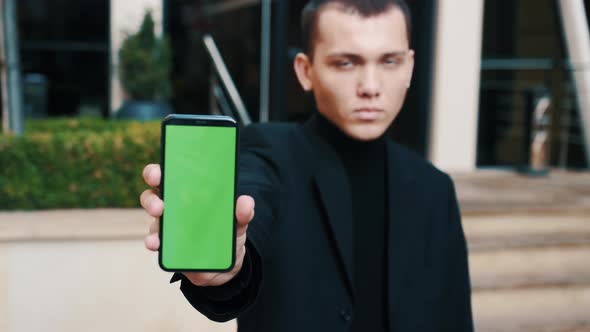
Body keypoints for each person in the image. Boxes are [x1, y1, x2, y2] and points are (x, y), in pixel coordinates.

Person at [140, 0, 474, 331]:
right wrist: (226, 270)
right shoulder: (267, 151)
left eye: (389, 61)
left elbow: (454, 317)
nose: (371, 87)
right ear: (305, 70)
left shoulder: (435, 187)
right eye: (346, 63)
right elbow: (251, 209)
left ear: (410, 67)